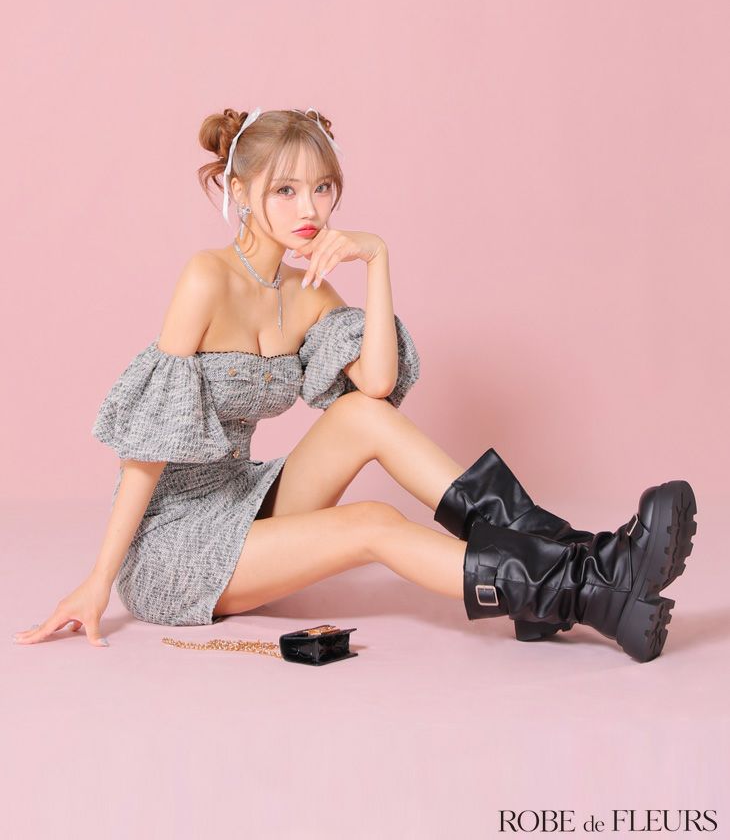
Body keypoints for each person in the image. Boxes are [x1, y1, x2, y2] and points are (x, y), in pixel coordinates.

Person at [12, 107, 698, 663]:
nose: (308, 207)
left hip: (243, 501)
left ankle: (587, 560)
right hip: (174, 546)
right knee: (372, 523)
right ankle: (584, 591)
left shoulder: (306, 290)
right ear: (240, 194)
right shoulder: (205, 278)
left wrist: (376, 259)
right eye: (285, 190)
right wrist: (99, 579)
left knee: (362, 416)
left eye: (321, 187)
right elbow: (147, 448)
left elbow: (376, 383)